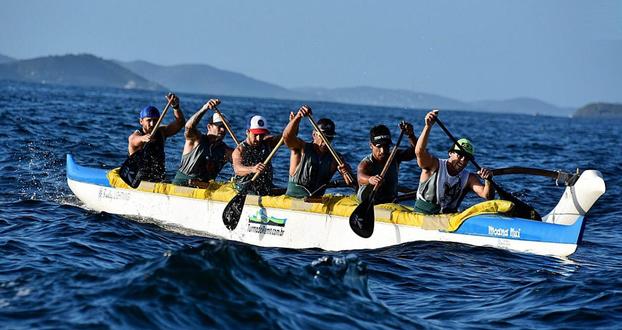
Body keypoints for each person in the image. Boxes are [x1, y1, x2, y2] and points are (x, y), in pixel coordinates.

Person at [414, 110, 494, 214]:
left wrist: (488, 180)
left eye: (467, 158)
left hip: (449, 218)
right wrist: (428, 126)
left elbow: (487, 196)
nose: (462, 160)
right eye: (459, 155)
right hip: (422, 214)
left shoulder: (469, 178)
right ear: (450, 153)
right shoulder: (434, 165)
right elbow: (419, 152)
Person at [282, 105, 354, 198]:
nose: (326, 142)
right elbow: (287, 137)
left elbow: (351, 182)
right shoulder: (301, 148)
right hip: (293, 200)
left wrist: (346, 172)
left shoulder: (335, 158)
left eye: (329, 138)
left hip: (316, 203)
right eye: (323, 137)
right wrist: (298, 117)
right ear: (314, 135)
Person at [172, 99, 234, 187]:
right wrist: (205, 108)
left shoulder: (226, 151)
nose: (223, 130)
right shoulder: (196, 139)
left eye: (225, 127)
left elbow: (240, 164)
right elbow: (189, 127)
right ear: (209, 127)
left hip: (205, 189)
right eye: (220, 126)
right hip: (182, 186)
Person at [126, 93, 185, 182]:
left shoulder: (162, 132)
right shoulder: (137, 135)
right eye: (149, 120)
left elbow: (180, 122)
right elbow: (133, 140)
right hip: (138, 179)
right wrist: (143, 138)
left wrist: (176, 107)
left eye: (155, 120)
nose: (152, 124)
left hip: (158, 178)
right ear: (141, 121)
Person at [356, 121, 417, 204]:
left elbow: (416, 152)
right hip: (369, 202)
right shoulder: (366, 163)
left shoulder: (394, 156)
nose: (383, 151)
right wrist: (370, 179)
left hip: (390, 201)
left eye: (386, 146)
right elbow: (360, 177)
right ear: (371, 145)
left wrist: (411, 135)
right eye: (379, 147)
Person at [231, 115, 282, 195]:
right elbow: (237, 169)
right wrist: (252, 169)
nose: (258, 139)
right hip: (244, 187)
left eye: (262, 135)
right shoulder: (239, 150)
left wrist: (295, 121)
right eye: (255, 135)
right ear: (247, 132)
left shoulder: (268, 143)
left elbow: (286, 137)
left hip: (266, 187)